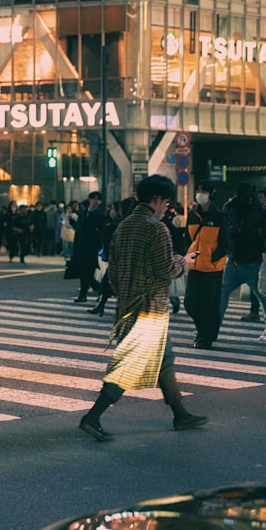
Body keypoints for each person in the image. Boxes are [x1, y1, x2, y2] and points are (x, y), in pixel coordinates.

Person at [78, 174, 207, 442]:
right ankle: (93, 417)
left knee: (165, 359)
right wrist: (185, 262)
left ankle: (181, 414)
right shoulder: (156, 228)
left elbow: (112, 274)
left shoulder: (123, 226)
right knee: (128, 367)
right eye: (166, 203)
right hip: (150, 310)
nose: (166, 208)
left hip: (128, 306)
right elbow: (166, 269)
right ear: (157, 199)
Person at [219, 182, 266, 340]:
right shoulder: (234, 207)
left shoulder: (255, 208)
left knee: (260, 294)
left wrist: (260, 233)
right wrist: (231, 231)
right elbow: (223, 229)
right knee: (259, 294)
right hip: (237, 258)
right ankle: (214, 326)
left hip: (249, 259)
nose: (249, 199)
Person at [185, 180, 229, 349]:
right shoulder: (192, 215)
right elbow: (188, 239)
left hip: (212, 268)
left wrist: (213, 257)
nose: (200, 194)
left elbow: (225, 242)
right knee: (190, 303)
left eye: (204, 191)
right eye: (198, 190)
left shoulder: (219, 216)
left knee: (208, 305)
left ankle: (205, 337)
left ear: (211, 195)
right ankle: (206, 330)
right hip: (195, 266)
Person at [71, 191, 107, 302]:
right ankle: (99, 289)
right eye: (93, 199)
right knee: (84, 271)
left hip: (92, 248)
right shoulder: (83, 213)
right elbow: (78, 228)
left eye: (97, 199)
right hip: (81, 246)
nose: (95, 201)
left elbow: (102, 232)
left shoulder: (100, 215)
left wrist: (99, 246)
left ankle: (85, 294)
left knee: (88, 271)